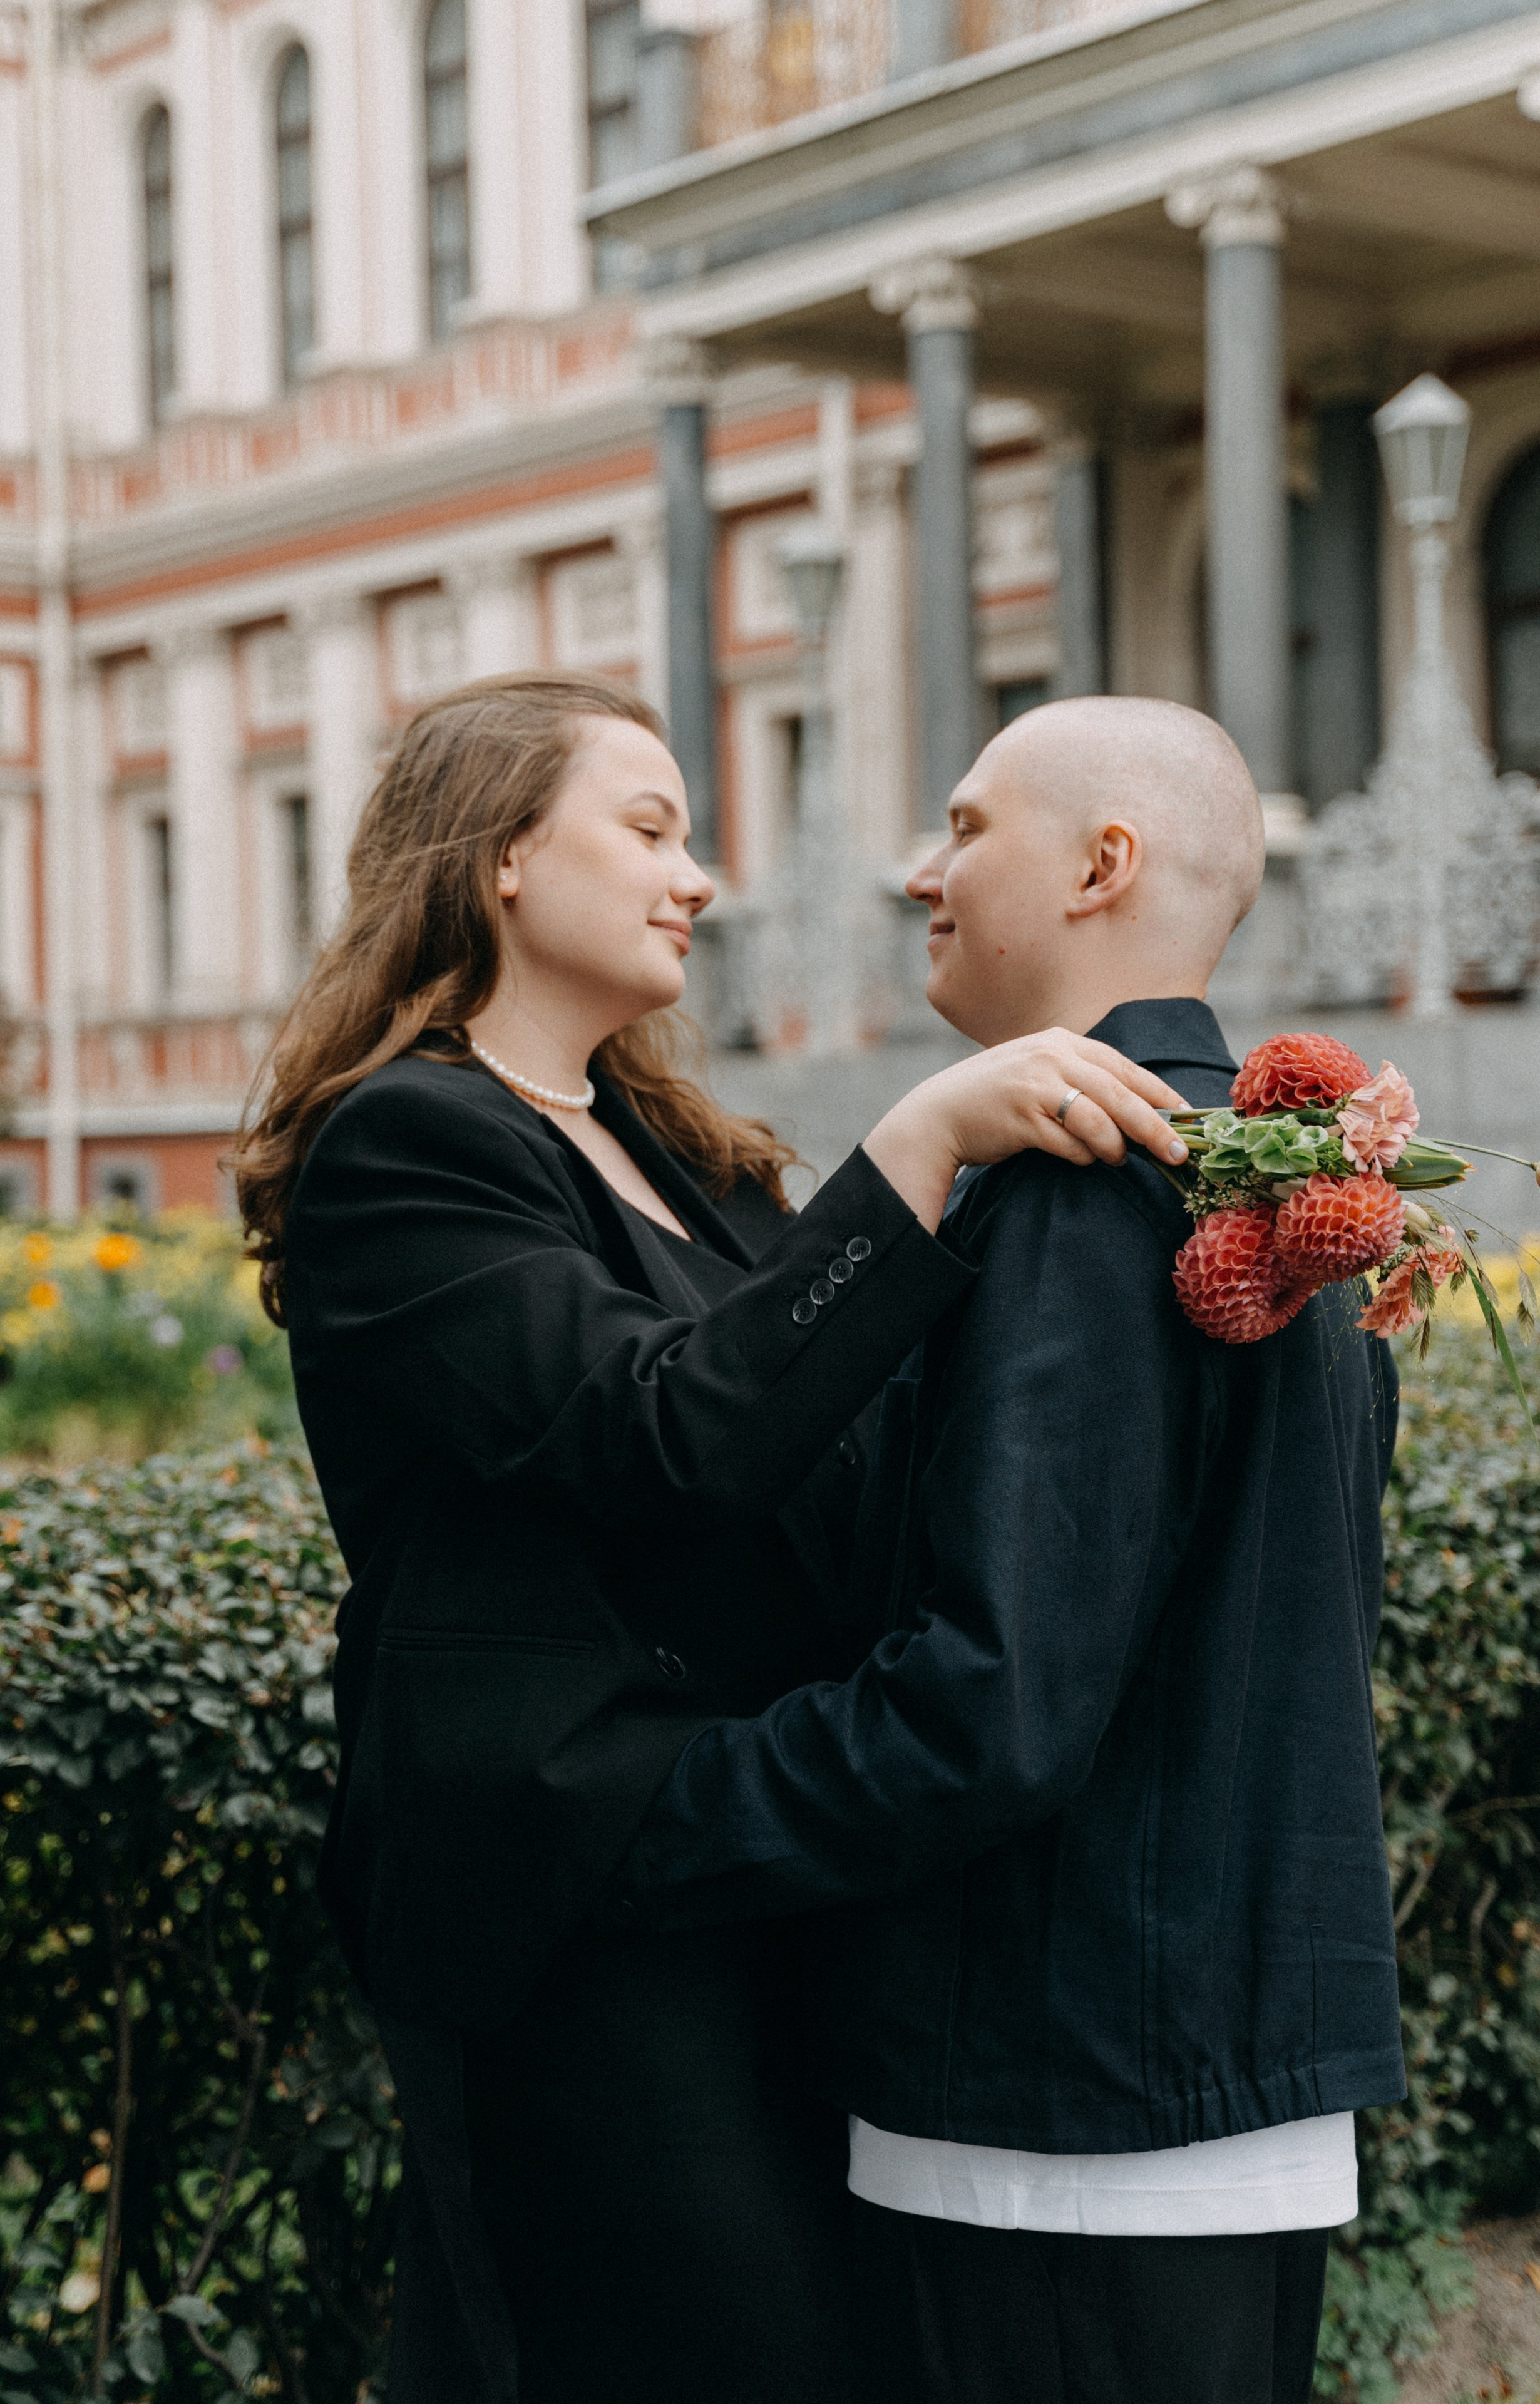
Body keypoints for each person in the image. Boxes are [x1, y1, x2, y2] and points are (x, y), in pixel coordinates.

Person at [231, 672, 1191, 2404]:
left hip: (761, 1861)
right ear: (504, 856)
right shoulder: (412, 1145)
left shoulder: (695, 1153)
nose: (701, 878)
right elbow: (676, 1436)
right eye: (654, 830)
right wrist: (920, 1131)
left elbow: (861, 1451)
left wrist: (1229, 1266)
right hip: (568, 1897)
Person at [613, 696, 1406, 2404]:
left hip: (1060, 2110)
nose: (920, 872)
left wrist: (656, 1816)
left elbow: (994, 1701)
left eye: (968, 828)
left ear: (1103, 864)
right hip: (1217, 2086)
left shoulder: (1074, 1192)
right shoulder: (1259, 1182)